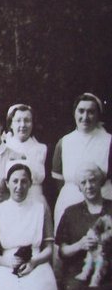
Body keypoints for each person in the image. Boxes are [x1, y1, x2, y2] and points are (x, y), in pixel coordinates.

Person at [56, 163, 112, 290]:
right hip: (79, 269)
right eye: (84, 182)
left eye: (93, 180)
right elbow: (62, 251)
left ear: (101, 182)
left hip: (109, 267)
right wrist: (80, 245)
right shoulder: (71, 213)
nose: (89, 186)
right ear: (79, 187)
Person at [52, 93, 112, 230]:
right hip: (70, 200)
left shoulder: (108, 141)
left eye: (91, 112)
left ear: (98, 115)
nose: (85, 117)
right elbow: (58, 181)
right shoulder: (64, 142)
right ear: (74, 113)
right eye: (81, 111)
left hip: (103, 204)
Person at [4, 104, 47, 202]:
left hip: (35, 199)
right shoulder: (4, 148)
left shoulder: (41, 149)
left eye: (27, 120)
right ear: (11, 124)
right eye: (18, 121)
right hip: (9, 200)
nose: (22, 125)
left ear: (32, 123)